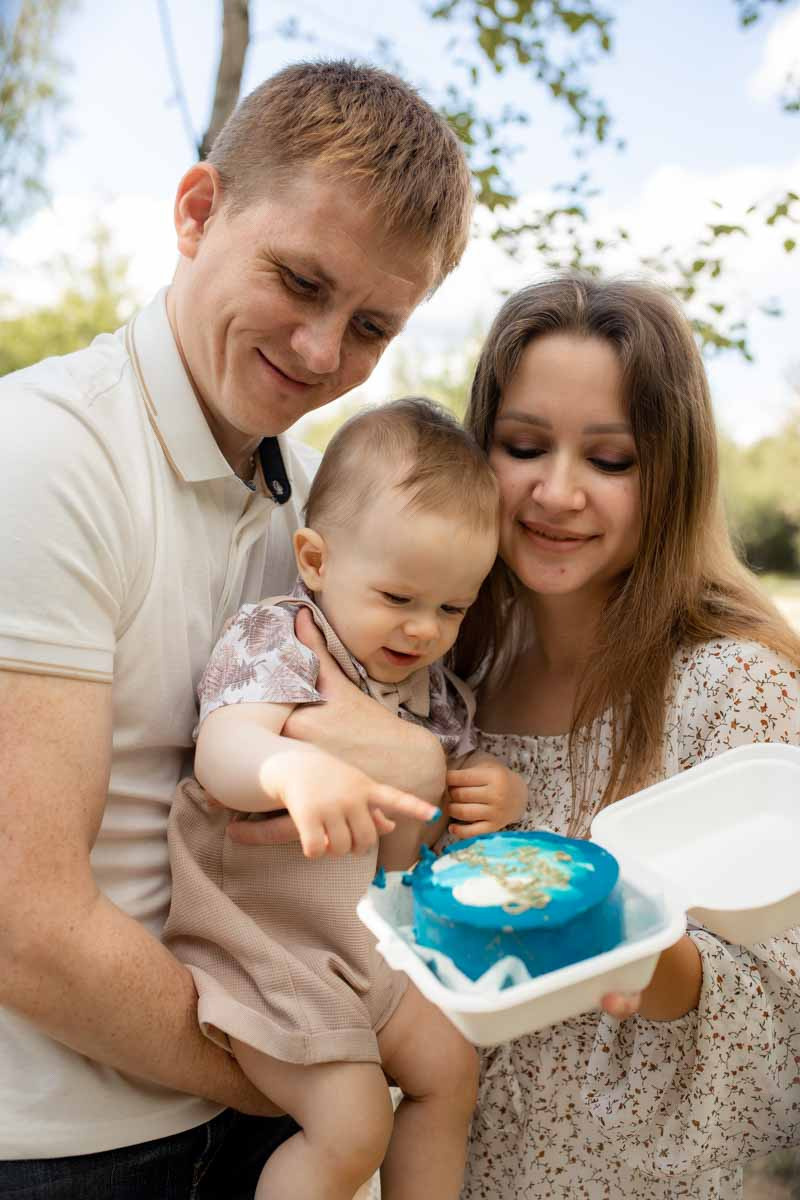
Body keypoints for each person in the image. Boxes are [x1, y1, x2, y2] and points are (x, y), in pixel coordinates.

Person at [0, 61, 472, 1197]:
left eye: (369, 326)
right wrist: (312, 1072)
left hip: (267, 1110)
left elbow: (408, 752)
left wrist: (407, 760)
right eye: (298, 281)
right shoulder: (45, 457)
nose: (319, 353)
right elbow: (24, 917)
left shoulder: (320, 503)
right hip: (75, 1150)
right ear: (198, 211)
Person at [446, 275, 800, 1199]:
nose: (556, 492)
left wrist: (651, 957)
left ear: (671, 473)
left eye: (610, 460)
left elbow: (785, 1026)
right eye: (524, 446)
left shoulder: (734, 686)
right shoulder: (454, 677)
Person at [164, 398, 527, 1200]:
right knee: (354, 1124)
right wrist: (288, 770)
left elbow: (437, 818)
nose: (425, 631)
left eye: (452, 608)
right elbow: (223, 746)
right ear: (316, 560)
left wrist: (493, 794)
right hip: (266, 945)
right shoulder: (282, 638)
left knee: (449, 1067)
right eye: (399, 598)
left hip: (365, 947)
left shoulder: (433, 694)